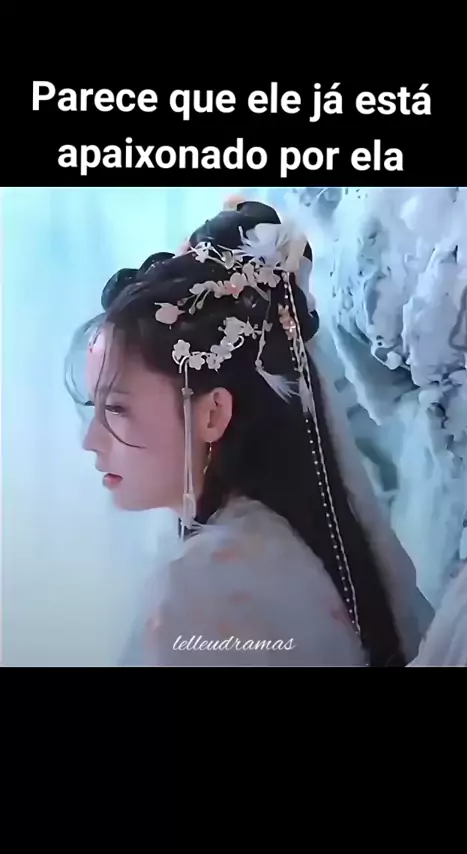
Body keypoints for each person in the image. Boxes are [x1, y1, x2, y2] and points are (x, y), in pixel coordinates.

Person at [65, 198, 431, 667]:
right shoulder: (290, 544)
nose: (91, 442)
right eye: (95, 408)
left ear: (213, 414)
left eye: (117, 408)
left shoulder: (203, 592)